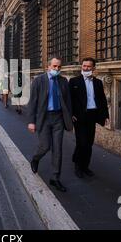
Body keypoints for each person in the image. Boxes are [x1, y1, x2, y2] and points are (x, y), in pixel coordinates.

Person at [27, 57, 73, 192]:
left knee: (58, 148)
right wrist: (31, 121)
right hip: (44, 118)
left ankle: (55, 178)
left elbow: (68, 101)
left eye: (59, 67)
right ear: (48, 67)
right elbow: (32, 103)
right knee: (45, 146)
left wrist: (69, 117)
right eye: (54, 66)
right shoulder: (38, 81)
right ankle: (36, 159)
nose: (57, 69)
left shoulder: (63, 81)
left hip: (58, 118)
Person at [69, 58, 109, 179]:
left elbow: (102, 100)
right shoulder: (74, 81)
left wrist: (105, 115)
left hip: (93, 115)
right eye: (84, 66)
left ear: (93, 68)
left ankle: (85, 166)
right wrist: (71, 114)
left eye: (88, 67)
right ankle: (78, 165)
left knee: (89, 143)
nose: (86, 68)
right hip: (79, 116)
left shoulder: (98, 82)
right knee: (82, 142)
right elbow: (69, 99)